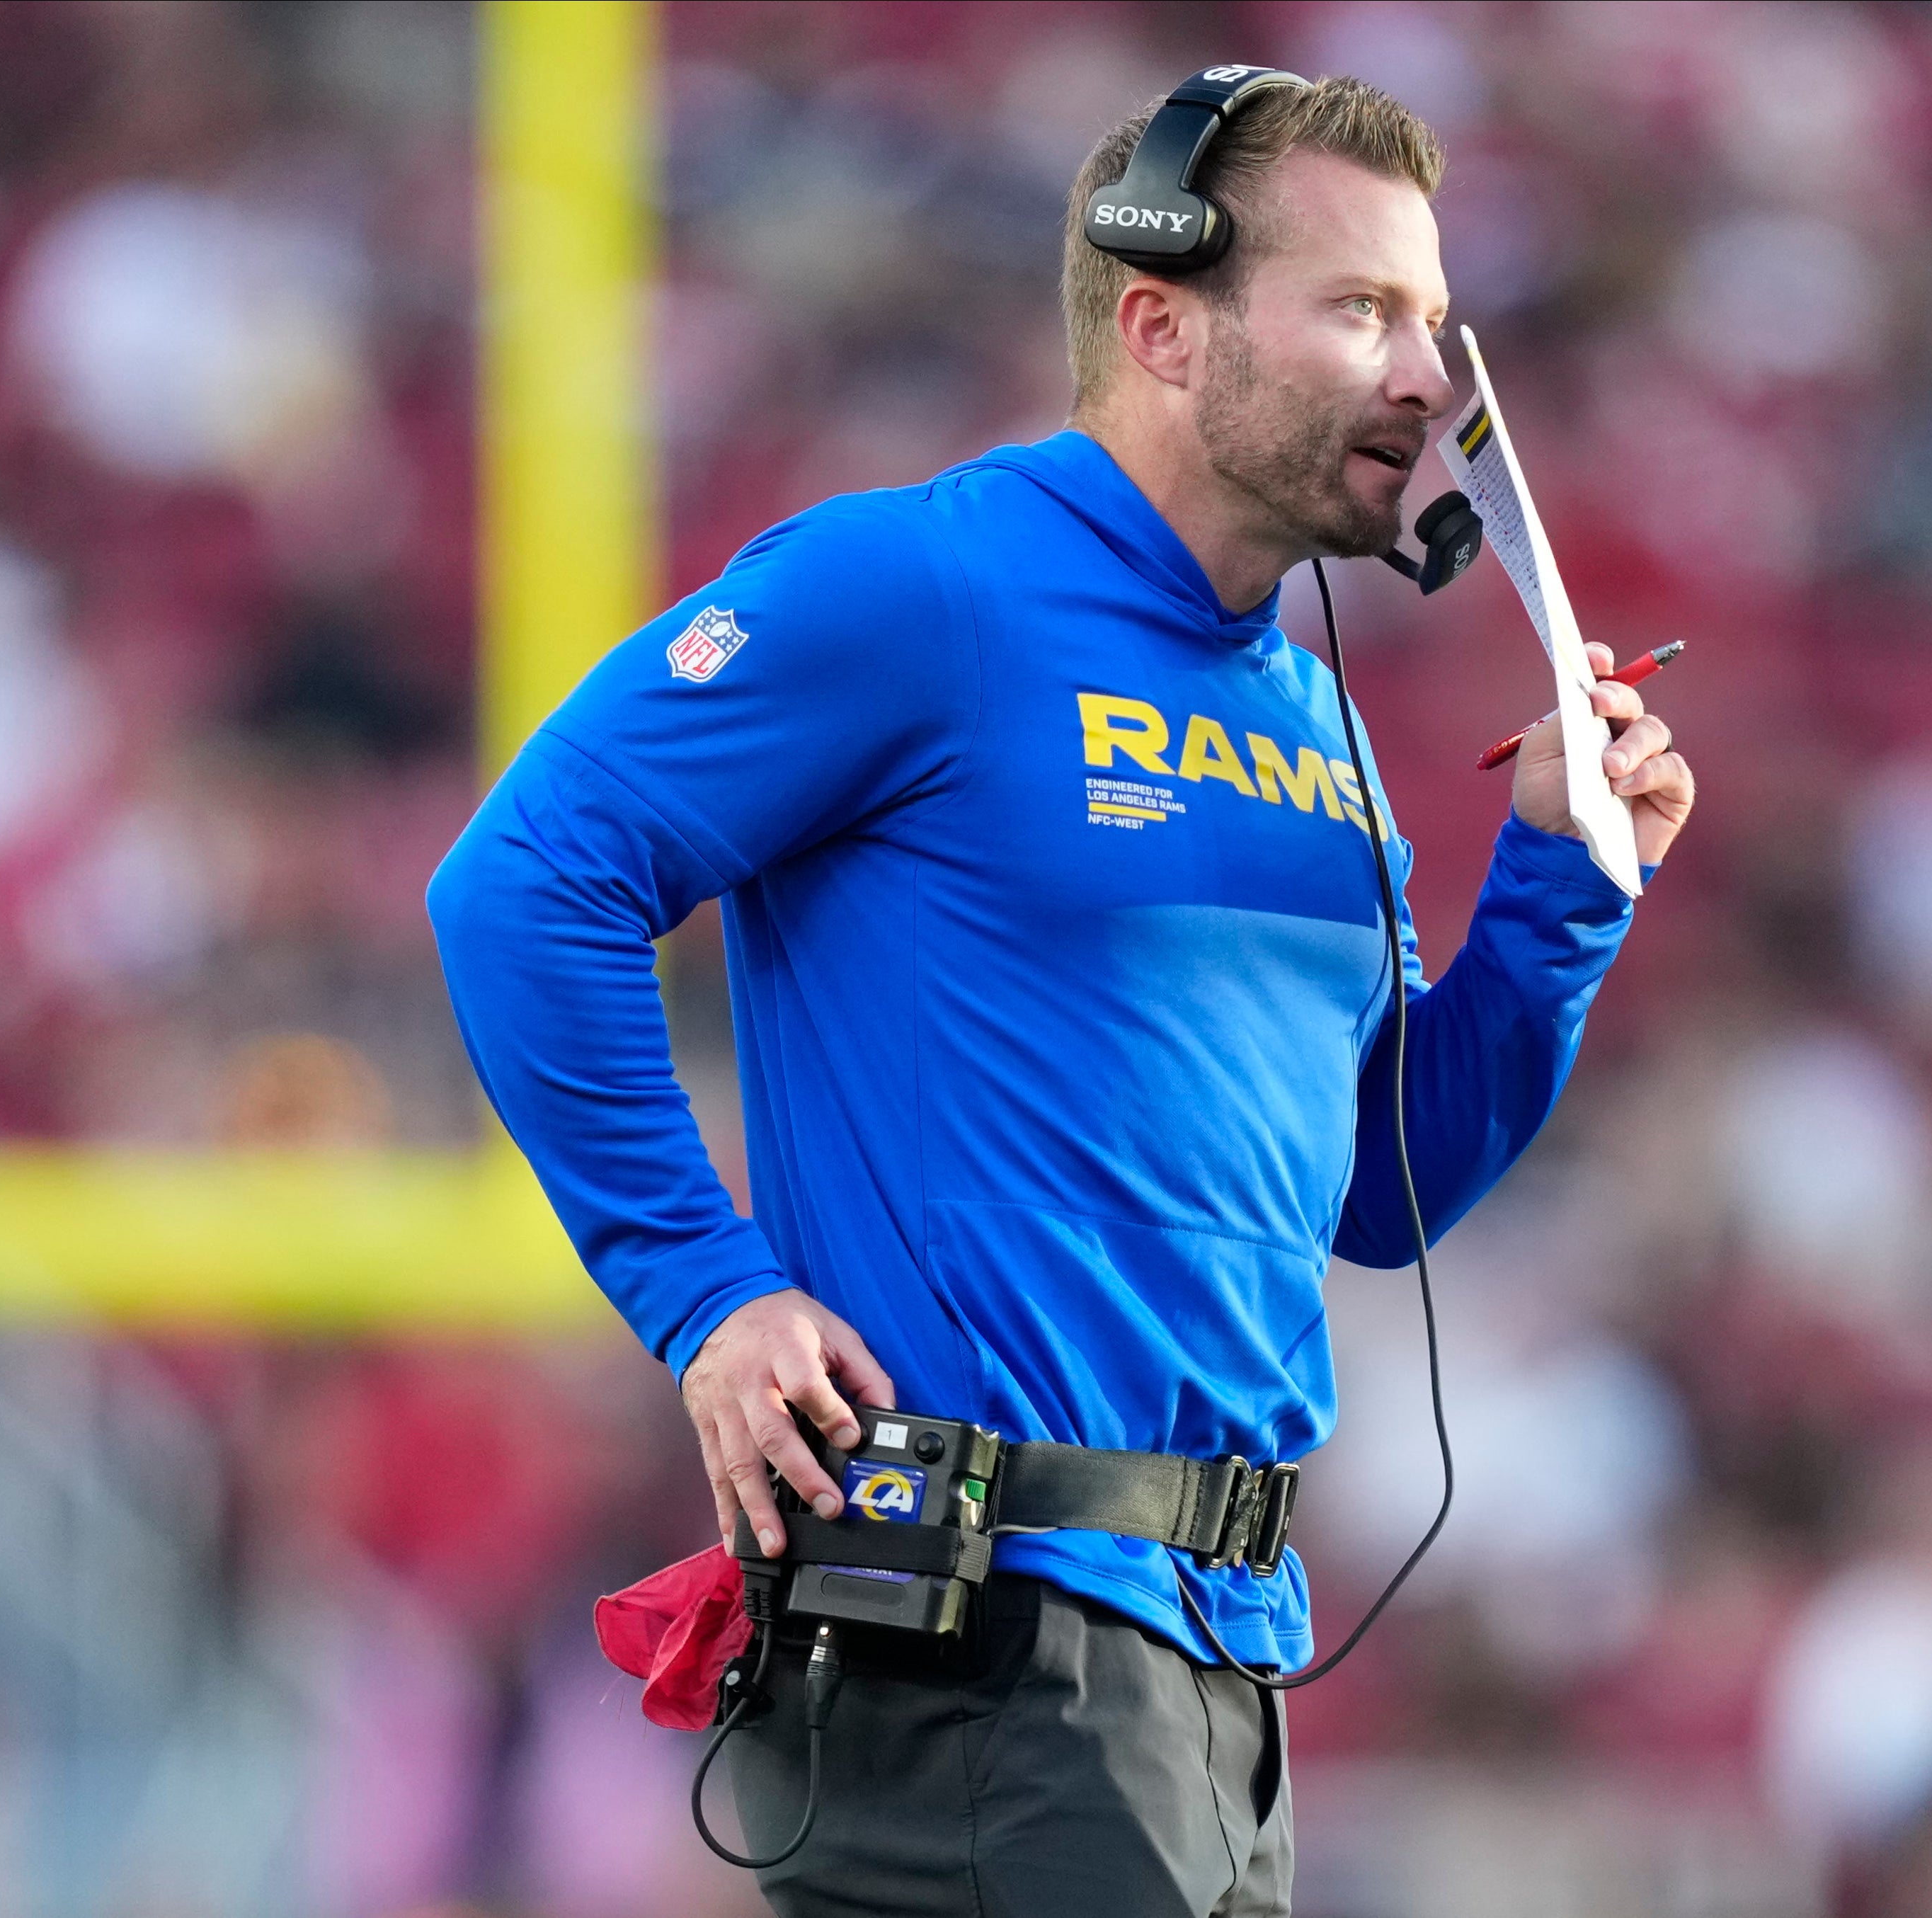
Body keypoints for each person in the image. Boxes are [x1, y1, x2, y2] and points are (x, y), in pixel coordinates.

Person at [427, 72, 1693, 1918]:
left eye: (1433, 316)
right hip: (984, 1655)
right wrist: (708, 1296)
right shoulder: (919, 584)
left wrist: (1566, 885)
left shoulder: (1308, 717)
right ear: (1163, 325)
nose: (1429, 374)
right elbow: (524, 884)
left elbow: (1378, 1187)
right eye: (1360, 309)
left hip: (1217, 1673)